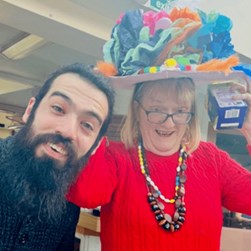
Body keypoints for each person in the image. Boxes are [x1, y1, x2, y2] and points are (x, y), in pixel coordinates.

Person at [67, 7, 251, 251]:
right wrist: (96, 114)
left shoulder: (212, 160)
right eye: (156, 109)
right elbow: (85, 195)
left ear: (191, 115)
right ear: (137, 110)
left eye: (180, 111)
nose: (169, 122)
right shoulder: (116, 156)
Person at [0, 63, 114, 251]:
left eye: (87, 125)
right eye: (58, 108)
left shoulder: (67, 203)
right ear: (30, 111)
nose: (68, 131)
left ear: (95, 146)